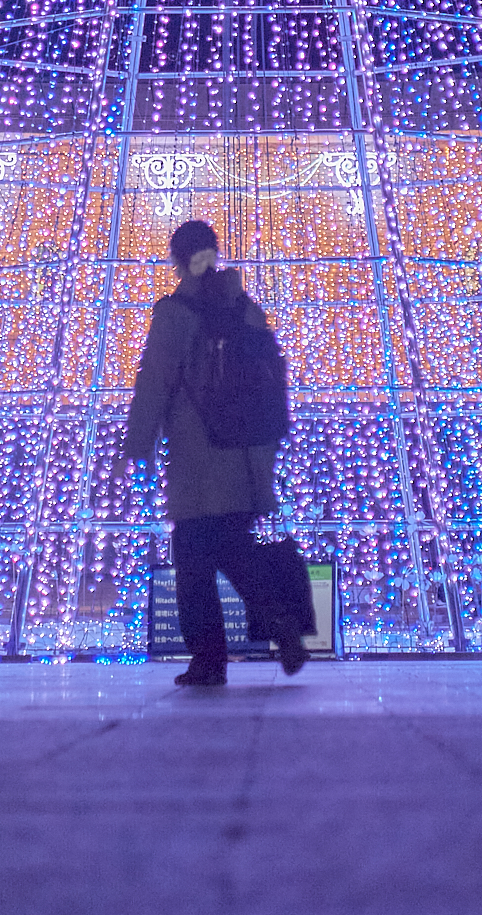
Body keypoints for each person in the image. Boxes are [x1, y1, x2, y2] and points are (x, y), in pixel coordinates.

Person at [123, 218, 305, 687]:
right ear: (215, 253)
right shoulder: (245, 309)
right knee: (232, 547)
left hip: (199, 456)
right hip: (245, 455)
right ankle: (277, 624)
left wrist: (138, 440)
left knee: (193, 556)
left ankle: (210, 660)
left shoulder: (175, 312)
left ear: (178, 260)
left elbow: (154, 381)